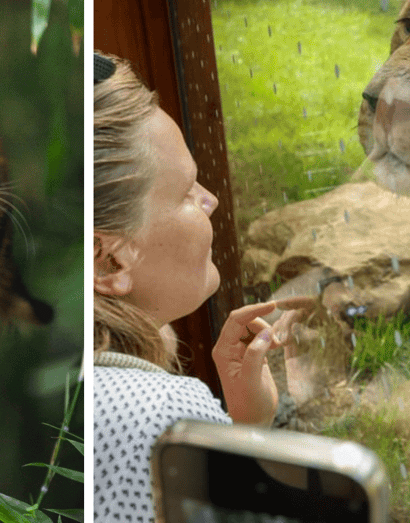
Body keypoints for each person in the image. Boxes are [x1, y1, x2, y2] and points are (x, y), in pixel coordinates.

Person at [92, 52, 313, 522]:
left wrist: (244, 425)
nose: (209, 199)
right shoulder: (167, 419)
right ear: (108, 259)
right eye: (186, 191)